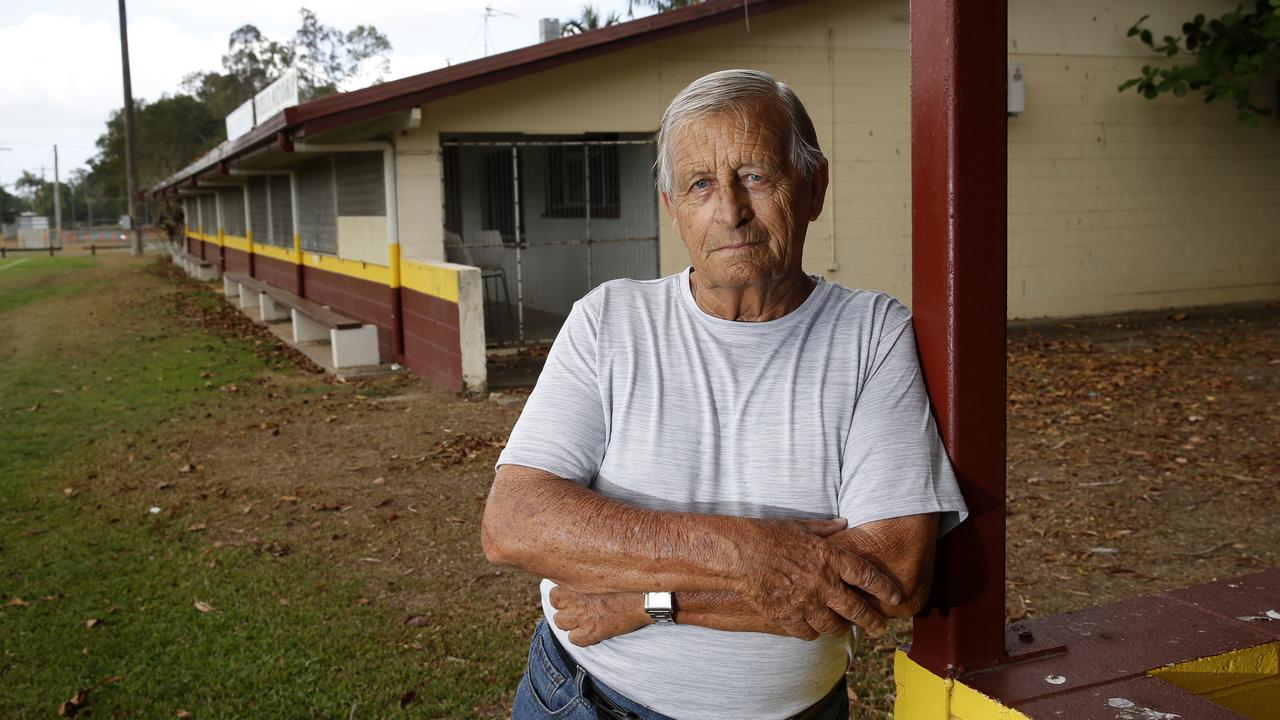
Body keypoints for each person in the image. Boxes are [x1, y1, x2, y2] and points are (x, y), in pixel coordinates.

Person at [481, 68, 968, 720]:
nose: (731, 210)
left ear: (815, 186)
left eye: (757, 176)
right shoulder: (611, 321)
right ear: (673, 209)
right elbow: (515, 524)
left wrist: (649, 603)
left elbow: (895, 573)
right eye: (701, 184)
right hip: (583, 700)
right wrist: (751, 553)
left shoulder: (871, 333)